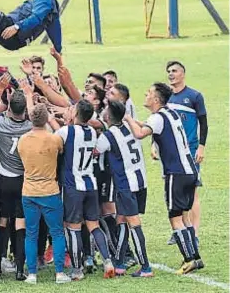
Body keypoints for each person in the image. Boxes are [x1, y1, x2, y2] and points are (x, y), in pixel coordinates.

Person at [124, 82, 203, 275]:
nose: (146, 94)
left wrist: (127, 118)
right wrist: (139, 121)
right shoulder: (171, 113)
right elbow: (151, 126)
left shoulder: (157, 117)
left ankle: (188, 260)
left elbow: (140, 134)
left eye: (149, 92)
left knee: (175, 217)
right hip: (190, 170)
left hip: (176, 172)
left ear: (156, 99)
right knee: (185, 217)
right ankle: (197, 258)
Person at [54, 100, 115, 280]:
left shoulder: (66, 131)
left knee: (73, 228)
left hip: (73, 186)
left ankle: (77, 270)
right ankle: (107, 261)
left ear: (75, 114)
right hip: (91, 184)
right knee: (93, 225)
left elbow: (55, 143)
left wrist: (55, 120)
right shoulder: (93, 132)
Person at [96, 101, 153, 277]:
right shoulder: (131, 126)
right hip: (140, 180)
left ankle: (145, 267)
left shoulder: (108, 135)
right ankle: (119, 264)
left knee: (133, 222)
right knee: (121, 220)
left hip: (125, 184)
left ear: (107, 116)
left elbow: (95, 152)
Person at [18, 104, 71, 285]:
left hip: (29, 191)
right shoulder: (54, 139)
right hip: (49, 190)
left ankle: (32, 274)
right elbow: (62, 151)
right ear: (46, 118)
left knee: (31, 234)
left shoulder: (23, 140)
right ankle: (59, 273)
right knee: (56, 232)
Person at [0, 90, 33, 281]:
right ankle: (21, 269)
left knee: (2, 222)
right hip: (23, 179)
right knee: (22, 223)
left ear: (9, 108)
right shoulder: (31, 127)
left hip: (3, 180)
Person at [165, 61, 207, 244]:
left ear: (183, 73)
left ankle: (194, 234)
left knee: (192, 192)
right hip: (170, 152)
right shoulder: (166, 97)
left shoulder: (194, 96)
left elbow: (203, 123)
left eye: (174, 71)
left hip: (189, 150)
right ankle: (180, 229)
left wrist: (201, 147)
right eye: (169, 71)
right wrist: (153, 145)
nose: (171, 74)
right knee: (174, 192)